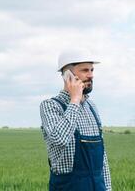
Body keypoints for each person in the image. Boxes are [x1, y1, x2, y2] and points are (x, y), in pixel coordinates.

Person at [40, 50, 112, 191]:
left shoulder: (92, 107)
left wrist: (108, 188)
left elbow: (102, 160)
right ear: (68, 75)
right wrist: (75, 101)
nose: (91, 75)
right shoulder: (50, 106)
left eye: (92, 70)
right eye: (85, 70)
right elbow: (59, 139)